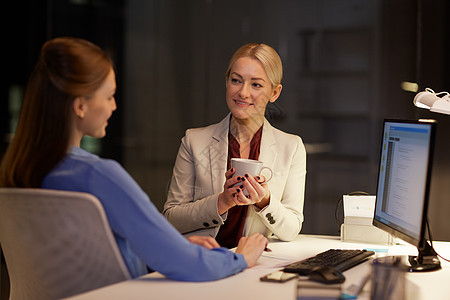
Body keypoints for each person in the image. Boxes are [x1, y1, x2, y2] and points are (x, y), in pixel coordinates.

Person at [0, 37, 267, 281]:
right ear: (80, 106)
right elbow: (191, 266)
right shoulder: (99, 176)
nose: (114, 106)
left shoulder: (18, 170)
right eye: (109, 96)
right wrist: (241, 257)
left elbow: (84, 261)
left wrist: (174, 247)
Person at [163, 43, 306, 249]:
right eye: (236, 81)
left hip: (256, 265)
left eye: (256, 85)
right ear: (227, 82)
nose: (243, 93)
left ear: (274, 92)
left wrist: (264, 201)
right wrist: (221, 202)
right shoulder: (194, 141)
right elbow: (171, 218)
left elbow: (292, 229)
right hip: (205, 261)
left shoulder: (291, 147)